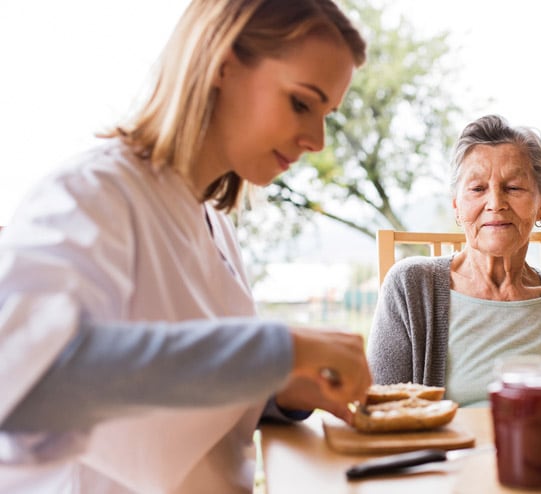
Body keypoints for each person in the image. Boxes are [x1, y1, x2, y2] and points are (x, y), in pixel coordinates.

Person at [0, 0, 372, 492]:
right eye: (302, 103)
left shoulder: (212, 219)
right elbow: (25, 383)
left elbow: (180, 379)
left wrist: (276, 390)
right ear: (221, 64)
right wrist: (280, 349)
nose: (318, 140)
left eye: (326, 113)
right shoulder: (93, 195)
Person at [367, 114, 541, 407]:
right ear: (456, 206)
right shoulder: (409, 287)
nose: (495, 203)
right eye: (477, 189)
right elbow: (382, 411)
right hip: (450, 453)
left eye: (513, 187)